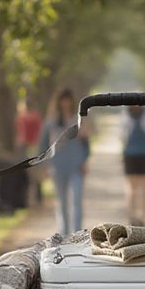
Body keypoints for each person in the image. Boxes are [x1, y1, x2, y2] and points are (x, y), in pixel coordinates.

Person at [39, 87, 89, 236]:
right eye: (63, 99)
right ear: (58, 102)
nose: (66, 102)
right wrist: (43, 166)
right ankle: (64, 233)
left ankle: (78, 234)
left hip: (76, 166)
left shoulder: (78, 121)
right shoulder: (51, 123)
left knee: (76, 201)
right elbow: (43, 146)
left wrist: (85, 160)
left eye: (68, 99)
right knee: (61, 203)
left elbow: (86, 144)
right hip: (58, 167)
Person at [120, 104, 145, 225]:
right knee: (132, 188)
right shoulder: (125, 118)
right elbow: (122, 137)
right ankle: (132, 217)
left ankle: (143, 218)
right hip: (131, 155)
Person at [14, 95, 44, 204]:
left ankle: (34, 197)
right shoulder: (34, 116)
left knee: (30, 173)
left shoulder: (23, 117)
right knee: (32, 173)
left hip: (29, 146)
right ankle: (35, 197)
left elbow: (22, 134)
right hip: (31, 146)